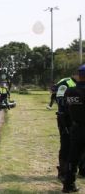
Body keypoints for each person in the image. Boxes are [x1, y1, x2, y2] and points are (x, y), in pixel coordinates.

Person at [62, 64, 85, 193]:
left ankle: (68, 185)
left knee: (73, 158)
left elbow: (65, 110)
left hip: (75, 128)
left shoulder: (70, 91)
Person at [54, 76, 77, 182]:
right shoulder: (65, 83)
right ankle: (63, 172)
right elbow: (60, 101)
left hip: (79, 120)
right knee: (66, 145)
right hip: (66, 119)